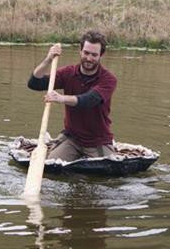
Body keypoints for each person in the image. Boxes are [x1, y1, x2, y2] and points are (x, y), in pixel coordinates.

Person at [27, 30, 117, 162]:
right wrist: (48, 59)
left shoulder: (108, 79)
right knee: (52, 166)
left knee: (106, 173)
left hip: (97, 141)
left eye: (94, 55)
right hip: (72, 138)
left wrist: (61, 98)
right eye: (86, 53)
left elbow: (88, 100)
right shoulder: (68, 73)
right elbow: (34, 83)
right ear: (80, 51)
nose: (89, 58)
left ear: (100, 56)